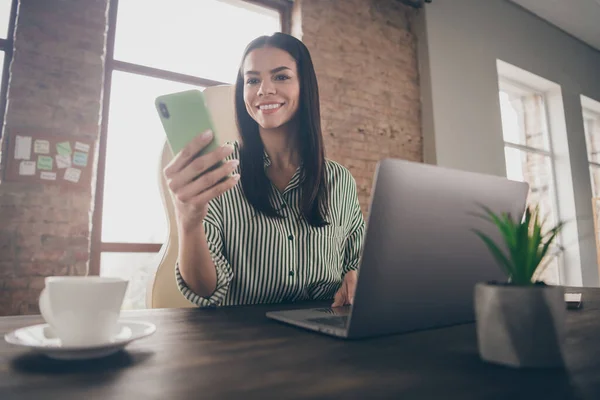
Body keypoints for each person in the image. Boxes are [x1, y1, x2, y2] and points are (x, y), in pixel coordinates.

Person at [163, 32, 365, 308]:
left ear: (304, 86)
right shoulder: (219, 170)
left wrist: (354, 276)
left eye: (280, 77)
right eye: (253, 80)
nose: (263, 90)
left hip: (325, 334)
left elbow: (357, 262)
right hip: (242, 338)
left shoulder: (339, 180)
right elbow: (204, 289)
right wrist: (188, 221)